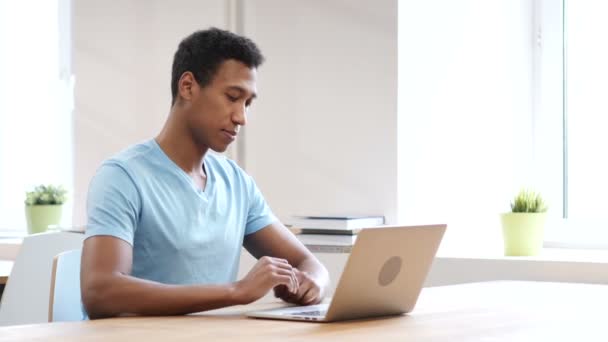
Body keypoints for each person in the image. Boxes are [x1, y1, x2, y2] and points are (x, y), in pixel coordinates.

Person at [81, 28, 329, 319]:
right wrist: (236, 292)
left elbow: (309, 264)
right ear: (187, 86)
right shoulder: (122, 176)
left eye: (247, 103)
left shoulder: (236, 182)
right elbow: (100, 291)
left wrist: (313, 284)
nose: (241, 117)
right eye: (232, 97)